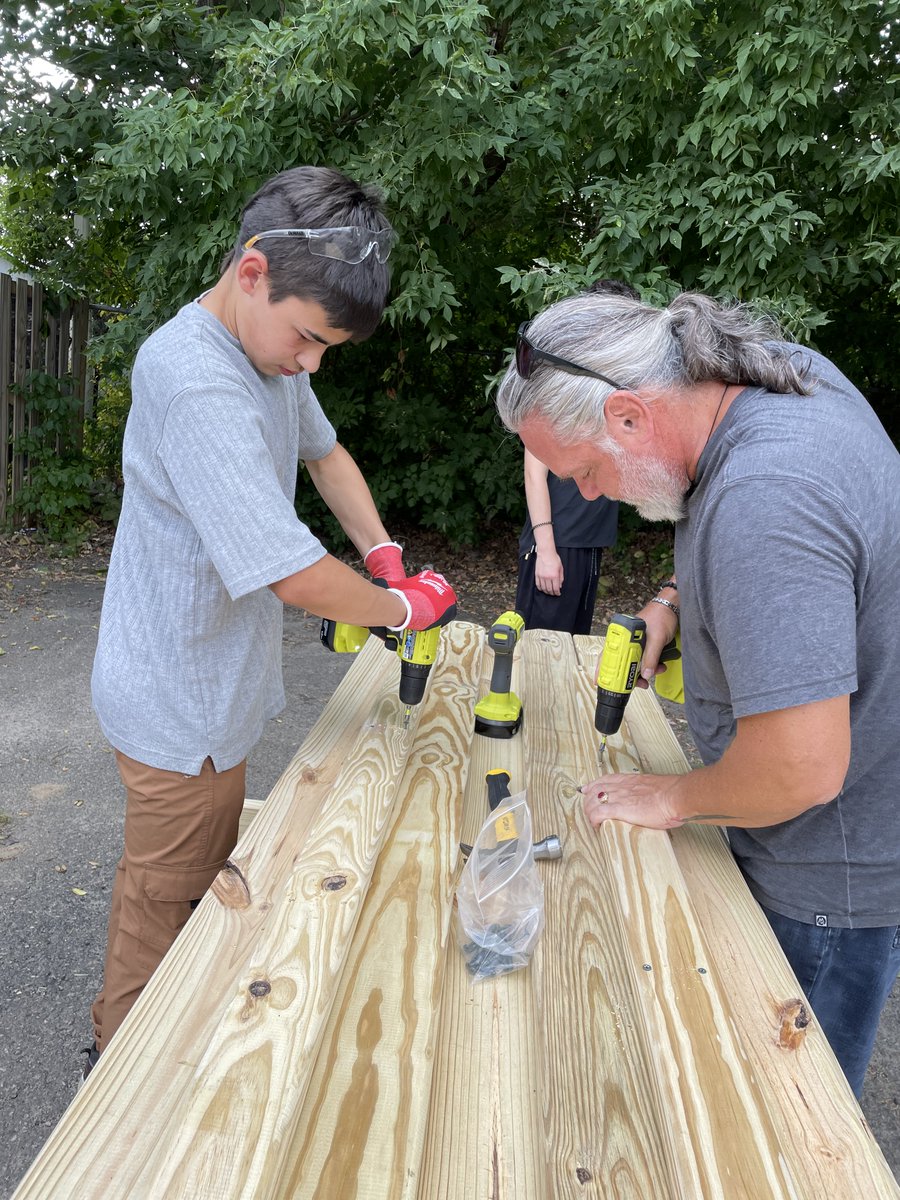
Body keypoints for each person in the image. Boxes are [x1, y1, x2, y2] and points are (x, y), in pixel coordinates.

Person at [85, 166, 456, 1075]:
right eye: (309, 338)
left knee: (203, 870)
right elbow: (291, 575)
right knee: (165, 896)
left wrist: (381, 557)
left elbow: (326, 457)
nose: (312, 362)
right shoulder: (197, 380)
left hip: (212, 686)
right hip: (180, 706)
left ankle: (156, 1049)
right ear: (251, 271)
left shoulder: (267, 352)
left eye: (327, 347)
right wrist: (401, 610)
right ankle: (117, 1073)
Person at [495, 288, 900, 1098]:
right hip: (831, 832)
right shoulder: (777, 383)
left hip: (821, 870)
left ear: (631, 417)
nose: (595, 494)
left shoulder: (766, 495)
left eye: (585, 471)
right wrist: (673, 606)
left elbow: (800, 770)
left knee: (779, 1124)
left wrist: (672, 796)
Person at [514, 281, 630, 634]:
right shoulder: (557, 380)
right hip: (556, 543)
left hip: (591, 541)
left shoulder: (613, 381)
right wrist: (546, 552)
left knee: (573, 649)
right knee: (538, 654)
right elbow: (534, 475)